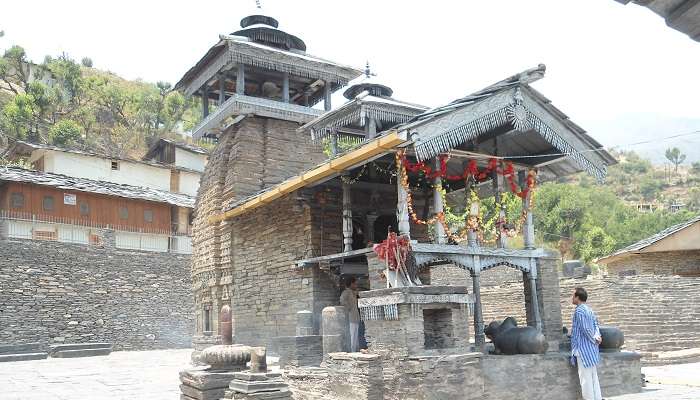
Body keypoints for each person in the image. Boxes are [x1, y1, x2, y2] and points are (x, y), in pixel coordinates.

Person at [570, 287, 603, 400]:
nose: (572, 298)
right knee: (593, 376)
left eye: (573, 295)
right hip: (592, 349)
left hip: (583, 349)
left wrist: (594, 339)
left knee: (585, 378)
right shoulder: (589, 310)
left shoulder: (579, 310)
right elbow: (595, 326)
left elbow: (585, 329)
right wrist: (597, 337)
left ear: (578, 297)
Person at [339, 276, 360, 352]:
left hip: (355, 317)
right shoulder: (346, 292)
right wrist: (349, 308)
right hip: (350, 317)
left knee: (355, 336)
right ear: (351, 284)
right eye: (355, 284)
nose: (356, 285)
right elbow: (342, 301)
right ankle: (351, 351)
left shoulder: (353, 292)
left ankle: (354, 350)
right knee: (352, 335)